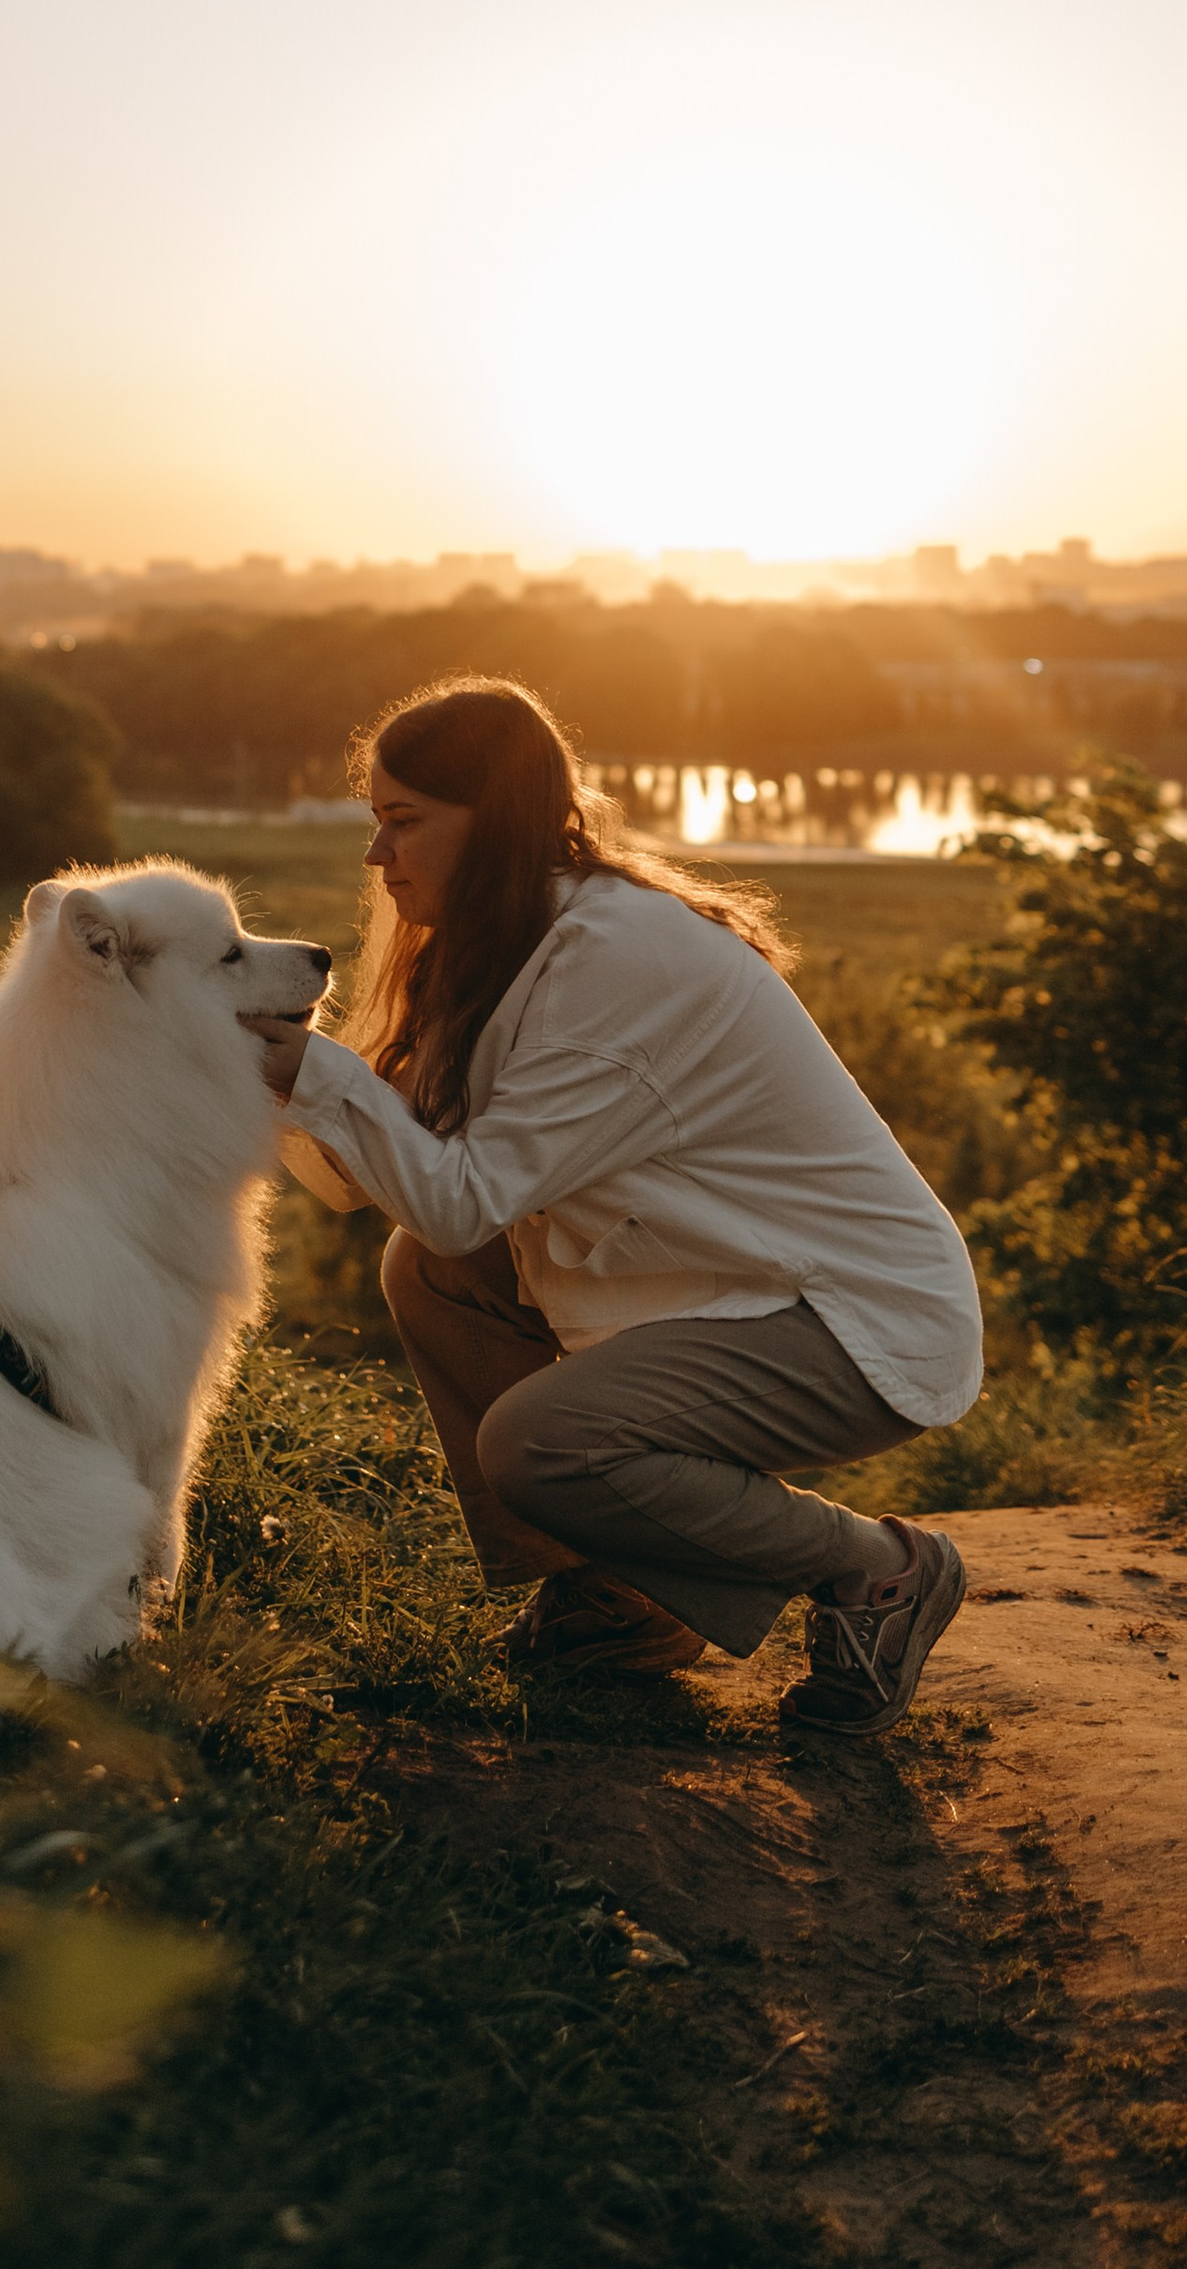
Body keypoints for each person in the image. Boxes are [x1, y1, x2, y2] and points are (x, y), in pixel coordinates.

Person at [252, 678, 984, 1733]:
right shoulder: (506, 945)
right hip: (731, 1287)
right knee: (429, 1274)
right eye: (377, 823)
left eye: (402, 824)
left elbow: (461, 1200)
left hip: (849, 1318)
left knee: (538, 1444)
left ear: (492, 824)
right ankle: (625, 1596)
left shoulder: (610, 963)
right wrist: (248, 1067)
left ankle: (879, 1570)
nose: (377, 857)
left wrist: (313, 1073)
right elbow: (357, 1179)